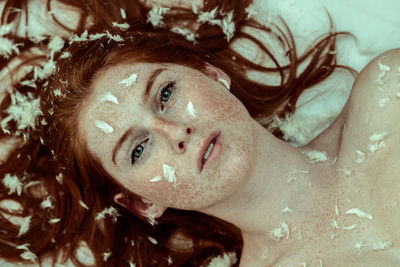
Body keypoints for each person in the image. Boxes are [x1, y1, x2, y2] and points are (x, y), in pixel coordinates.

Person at [0, 0, 399, 266]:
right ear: (143, 203)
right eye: (138, 149)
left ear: (210, 73)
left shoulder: (388, 91)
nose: (175, 131)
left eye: (165, 94)